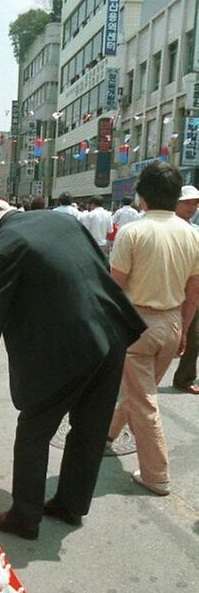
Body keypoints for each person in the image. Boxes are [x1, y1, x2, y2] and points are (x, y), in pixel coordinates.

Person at [0, 192, 146, 539]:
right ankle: (70, 505)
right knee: (90, 426)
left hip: (70, 348)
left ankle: (25, 516)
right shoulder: (60, 219)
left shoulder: (2, 249)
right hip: (110, 335)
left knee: (34, 429)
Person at [107, 163, 199, 496]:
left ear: (141, 195)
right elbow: (194, 293)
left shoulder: (133, 231)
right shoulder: (192, 234)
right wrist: (184, 330)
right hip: (172, 323)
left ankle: (156, 474)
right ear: (177, 196)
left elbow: (115, 287)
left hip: (136, 326)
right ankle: (108, 435)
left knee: (143, 401)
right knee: (137, 390)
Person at [172, 185, 199, 394]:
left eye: (195, 203)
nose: (192, 207)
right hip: (170, 289)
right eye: (187, 202)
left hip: (191, 287)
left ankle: (185, 377)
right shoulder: (168, 226)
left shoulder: (193, 229)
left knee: (194, 333)